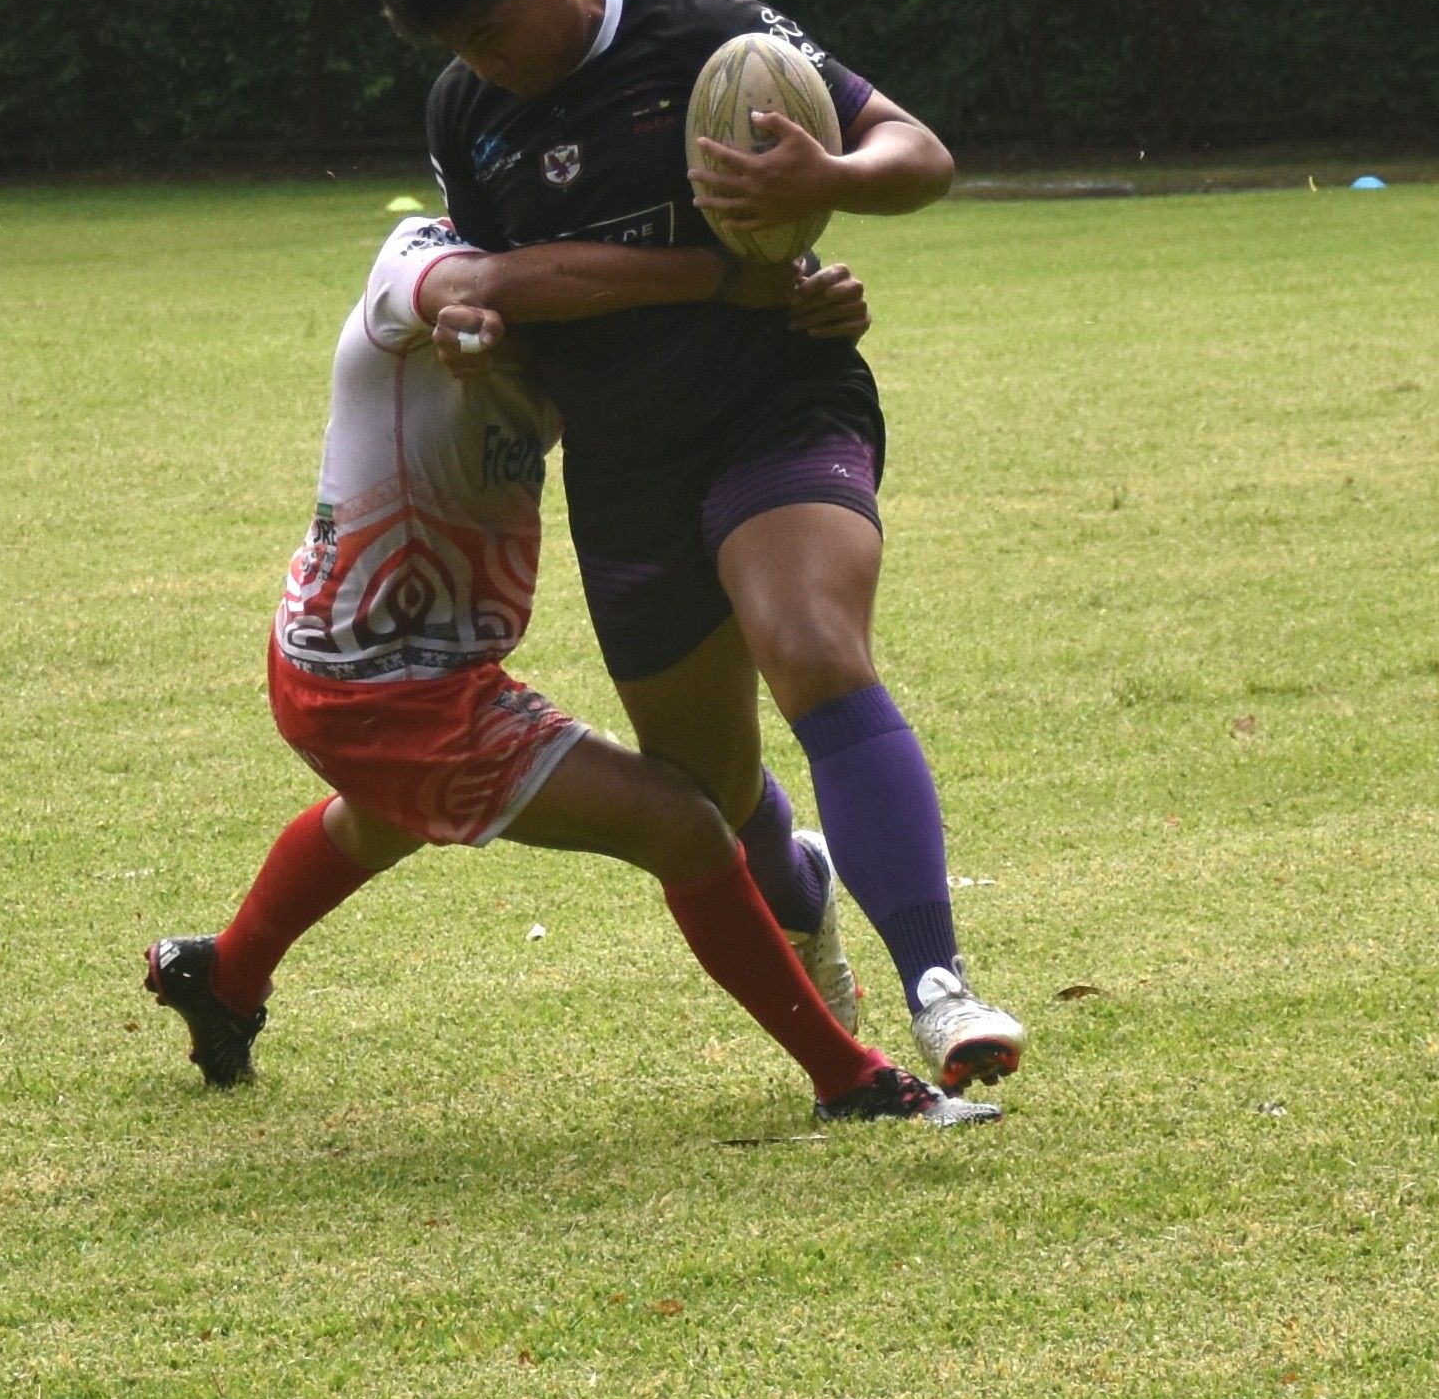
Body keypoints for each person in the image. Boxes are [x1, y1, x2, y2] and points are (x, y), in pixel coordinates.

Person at [374, 0, 1025, 1091]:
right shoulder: (467, 108)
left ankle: (940, 985)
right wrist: (477, 330)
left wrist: (828, 179)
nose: (484, 59)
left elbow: (920, 153)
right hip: (624, 455)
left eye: (493, 27)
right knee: (712, 787)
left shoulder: (705, 34)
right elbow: (487, 280)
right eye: (456, 42)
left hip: (772, 398)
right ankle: (808, 888)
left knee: (813, 646)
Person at [143, 208, 991, 1125]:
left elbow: (681, 357)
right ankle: (851, 1081)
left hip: (373, 666)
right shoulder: (424, 253)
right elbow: (462, 294)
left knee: (386, 818)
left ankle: (224, 976)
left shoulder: (587, 308)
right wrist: (694, 280)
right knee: (685, 826)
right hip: (384, 682)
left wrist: (804, 304)